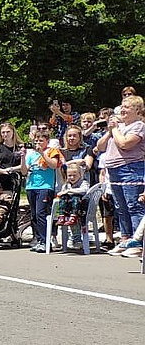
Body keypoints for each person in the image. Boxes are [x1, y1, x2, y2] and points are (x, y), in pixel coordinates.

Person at [97, 94, 145, 256]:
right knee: (121, 208)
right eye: (122, 107)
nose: (123, 110)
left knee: (134, 206)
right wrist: (110, 131)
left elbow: (125, 144)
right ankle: (125, 239)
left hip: (131, 170)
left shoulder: (138, 126)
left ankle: (138, 243)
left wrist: (115, 130)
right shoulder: (117, 128)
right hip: (114, 172)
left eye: (127, 107)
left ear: (137, 111)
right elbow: (100, 147)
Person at [21, 129, 61, 252]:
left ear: (47, 141)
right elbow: (24, 171)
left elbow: (54, 165)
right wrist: (23, 158)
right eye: (36, 140)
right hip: (31, 186)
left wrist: (43, 154)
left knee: (41, 213)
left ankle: (45, 240)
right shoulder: (31, 154)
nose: (38, 143)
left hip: (45, 186)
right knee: (34, 215)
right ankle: (38, 239)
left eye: (41, 141)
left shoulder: (52, 151)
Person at [55, 164, 90, 251]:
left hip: (80, 209)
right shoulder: (67, 184)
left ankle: (77, 239)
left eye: (74, 175)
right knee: (63, 197)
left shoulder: (83, 182)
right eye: (69, 175)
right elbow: (62, 192)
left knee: (75, 197)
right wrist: (63, 192)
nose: (72, 177)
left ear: (80, 175)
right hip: (69, 209)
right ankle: (61, 215)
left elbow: (85, 190)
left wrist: (70, 190)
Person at [0, 122, 24, 190]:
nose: (5, 134)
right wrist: (1, 170)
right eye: (3, 132)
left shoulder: (20, 148)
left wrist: (11, 169)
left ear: (13, 132)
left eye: (8, 132)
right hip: (1, 178)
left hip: (15, 179)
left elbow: (24, 165)